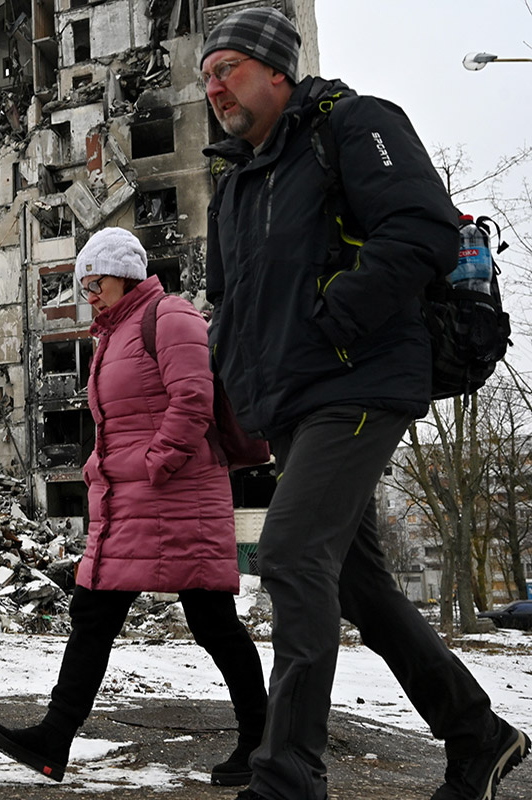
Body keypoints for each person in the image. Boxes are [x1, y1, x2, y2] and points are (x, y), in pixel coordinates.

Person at [199, 9, 528, 800]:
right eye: (207, 76)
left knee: (289, 552)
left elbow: (420, 227)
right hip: (288, 399)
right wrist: (232, 389)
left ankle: (288, 774)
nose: (214, 87)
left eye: (230, 68)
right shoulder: (238, 181)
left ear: (279, 70)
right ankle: (477, 735)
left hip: (358, 378)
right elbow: (228, 302)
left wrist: (337, 316)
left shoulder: (354, 123)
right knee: (356, 584)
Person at [0, 227, 268, 786]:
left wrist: (157, 462)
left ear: (127, 273)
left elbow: (193, 397)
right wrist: (107, 468)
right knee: (92, 615)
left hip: (179, 497)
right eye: (83, 281)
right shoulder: (111, 334)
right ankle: (54, 738)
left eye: (98, 279)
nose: (89, 290)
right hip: (129, 499)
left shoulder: (170, 315)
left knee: (212, 623)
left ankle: (261, 739)